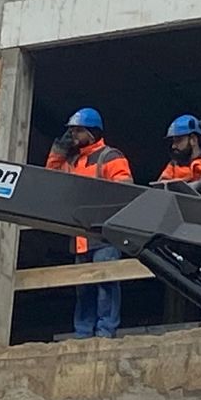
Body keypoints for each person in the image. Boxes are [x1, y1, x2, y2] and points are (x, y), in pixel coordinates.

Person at [44, 108, 134, 339]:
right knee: (83, 288)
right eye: (71, 130)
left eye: (77, 130)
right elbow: (50, 178)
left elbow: (124, 189)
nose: (72, 135)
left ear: (92, 132)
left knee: (106, 285)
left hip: (103, 234)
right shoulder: (71, 160)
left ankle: (105, 331)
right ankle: (83, 333)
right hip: (79, 235)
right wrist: (58, 151)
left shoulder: (110, 156)